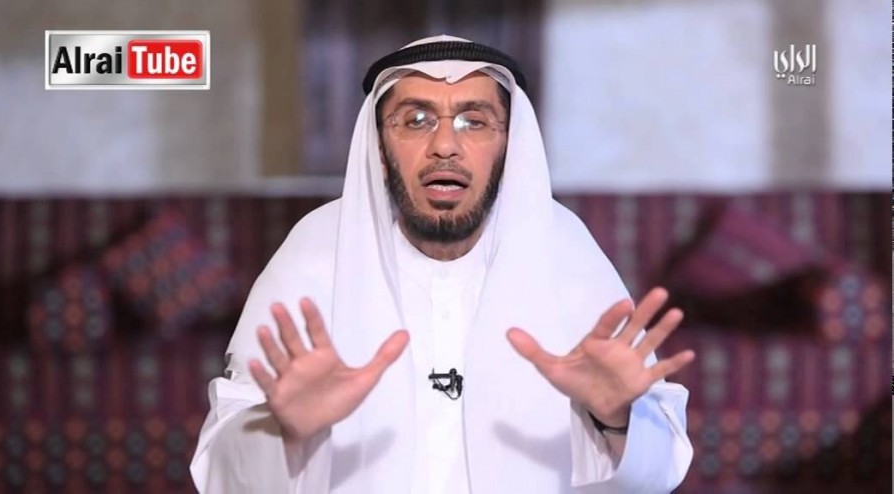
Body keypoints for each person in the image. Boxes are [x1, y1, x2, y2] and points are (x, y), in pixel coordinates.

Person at [190, 35, 696, 493]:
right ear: (380, 147)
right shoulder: (317, 246)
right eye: (416, 120)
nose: (446, 146)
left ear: (508, 146)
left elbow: (657, 475)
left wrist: (616, 419)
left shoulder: (562, 244)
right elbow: (220, 474)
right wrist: (283, 432)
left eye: (475, 121)